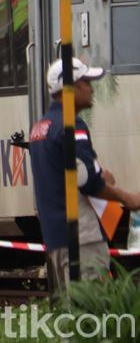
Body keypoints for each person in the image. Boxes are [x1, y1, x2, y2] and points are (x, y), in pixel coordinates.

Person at [29, 58, 140, 288]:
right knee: (92, 314)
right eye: (86, 82)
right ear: (71, 87)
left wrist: (99, 173)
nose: (91, 89)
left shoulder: (41, 127)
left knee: (71, 315)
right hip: (82, 236)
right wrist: (127, 198)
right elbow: (87, 181)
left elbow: (68, 171)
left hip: (55, 236)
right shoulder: (72, 124)